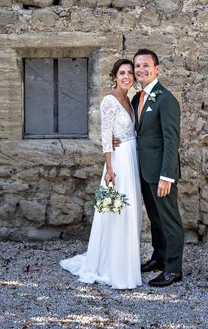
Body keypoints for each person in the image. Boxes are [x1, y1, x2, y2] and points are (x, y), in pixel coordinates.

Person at [60, 59, 143, 290]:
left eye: (129, 73)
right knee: (116, 212)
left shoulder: (131, 99)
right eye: (122, 73)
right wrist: (109, 169)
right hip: (117, 162)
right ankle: (111, 266)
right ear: (114, 76)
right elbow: (106, 136)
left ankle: (127, 261)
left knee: (130, 211)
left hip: (132, 157)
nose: (126, 76)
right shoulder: (109, 100)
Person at [132, 48, 184, 287]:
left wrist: (167, 176)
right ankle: (159, 257)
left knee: (169, 219)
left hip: (161, 173)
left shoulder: (166, 99)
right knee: (155, 218)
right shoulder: (137, 98)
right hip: (144, 171)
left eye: (145, 65)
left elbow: (171, 141)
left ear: (156, 69)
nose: (140, 70)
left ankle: (173, 269)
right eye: (137, 66)